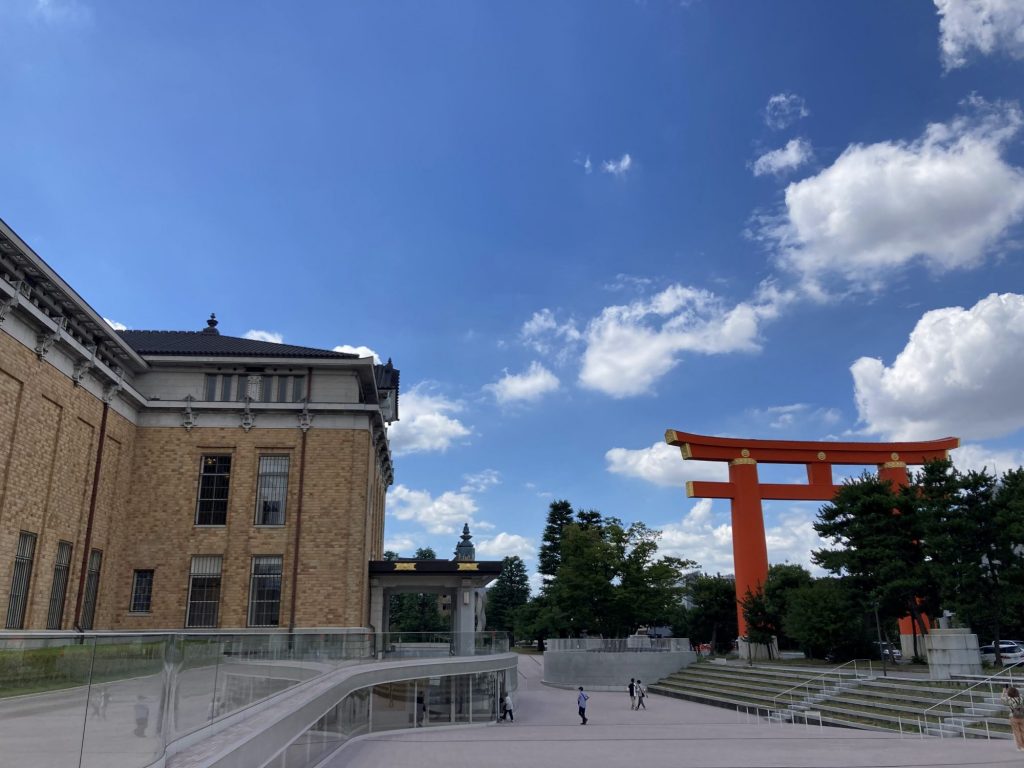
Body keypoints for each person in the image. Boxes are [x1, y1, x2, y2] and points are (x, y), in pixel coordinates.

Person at [1002, 685, 1024, 751]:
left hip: (1013, 717)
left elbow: (1002, 699)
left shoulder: (1009, 699)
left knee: (1017, 732)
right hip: (1022, 716)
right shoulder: (1021, 698)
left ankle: (1021, 747)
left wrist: (1004, 692)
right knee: (1023, 731)